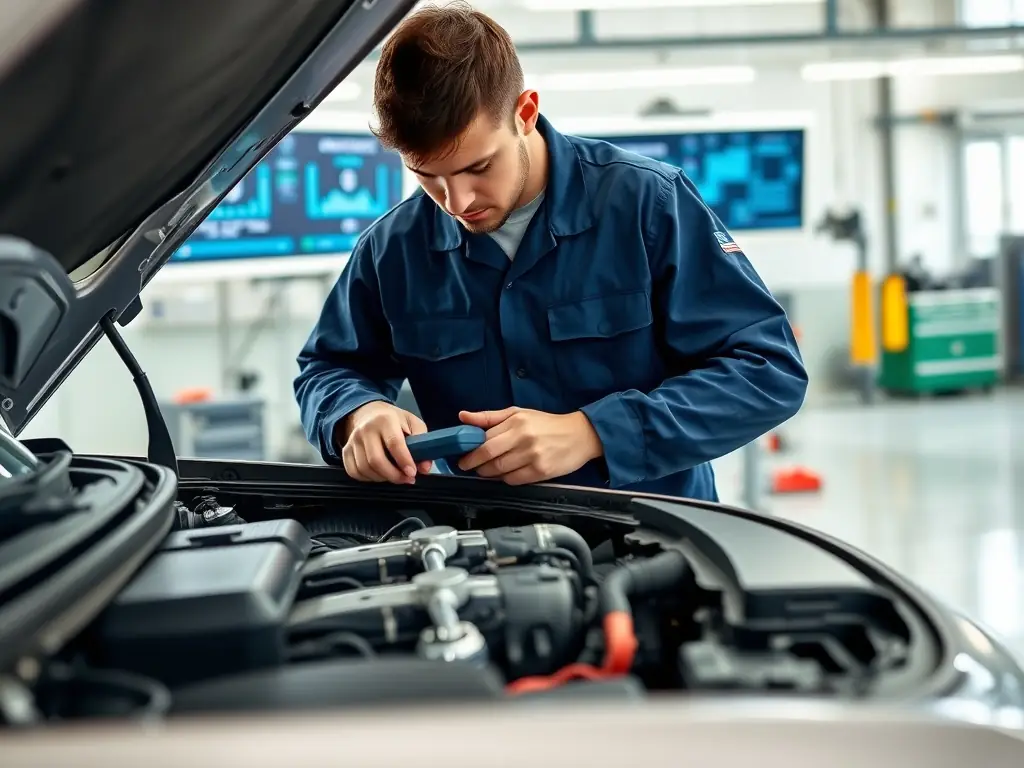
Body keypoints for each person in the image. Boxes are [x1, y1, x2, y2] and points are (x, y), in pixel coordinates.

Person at [294, 3, 807, 502]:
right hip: (479, 550)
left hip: (654, 539)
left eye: (477, 167)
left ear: (525, 113)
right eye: (428, 177)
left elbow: (766, 369)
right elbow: (328, 368)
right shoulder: (393, 250)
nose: (457, 202)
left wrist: (594, 433)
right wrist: (357, 414)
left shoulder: (648, 205)